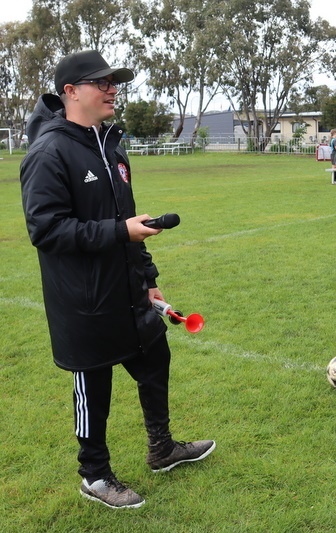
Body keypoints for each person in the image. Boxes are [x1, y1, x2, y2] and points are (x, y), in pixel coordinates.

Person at [19, 50, 215, 510]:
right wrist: (118, 231)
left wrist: (147, 277)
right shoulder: (48, 151)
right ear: (70, 91)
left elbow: (126, 219)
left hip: (128, 288)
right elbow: (45, 230)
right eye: (100, 82)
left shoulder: (112, 145)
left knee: (155, 358)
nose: (112, 89)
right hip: (84, 300)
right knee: (94, 386)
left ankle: (162, 448)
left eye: (114, 81)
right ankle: (95, 475)